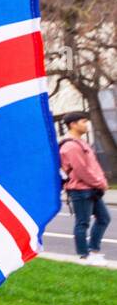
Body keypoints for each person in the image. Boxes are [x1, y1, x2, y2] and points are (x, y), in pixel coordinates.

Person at [59, 111, 110, 263]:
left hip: (90, 189)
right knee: (83, 223)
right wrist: (99, 183)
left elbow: (92, 166)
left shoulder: (81, 143)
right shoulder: (70, 146)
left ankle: (93, 251)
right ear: (73, 124)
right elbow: (81, 170)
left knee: (104, 218)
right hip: (80, 190)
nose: (86, 124)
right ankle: (84, 255)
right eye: (83, 121)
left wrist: (101, 181)